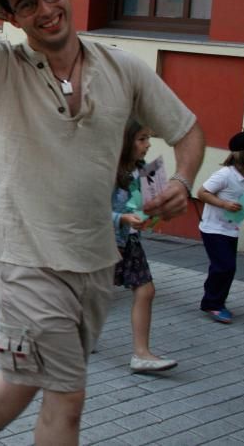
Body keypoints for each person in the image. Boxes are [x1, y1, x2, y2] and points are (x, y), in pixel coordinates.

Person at [0, 0, 204, 446]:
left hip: (96, 261)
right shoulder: (1, 67)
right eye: (26, 3)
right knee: (67, 397)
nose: (45, 9)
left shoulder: (123, 68)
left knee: (25, 379)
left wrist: (183, 178)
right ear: (12, 17)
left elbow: (187, 130)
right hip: (27, 257)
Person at [112, 120, 176, 373]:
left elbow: (153, 209)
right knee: (91, 295)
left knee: (146, 290)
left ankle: (141, 354)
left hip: (130, 242)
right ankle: (79, 336)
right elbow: (90, 212)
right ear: (125, 141)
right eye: (142, 139)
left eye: (148, 138)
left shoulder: (146, 171)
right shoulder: (107, 172)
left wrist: (161, 211)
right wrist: (122, 219)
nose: (148, 144)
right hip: (103, 242)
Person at [197, 131, 244, 324]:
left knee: (227, 268)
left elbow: (239, 200)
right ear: (240, 154)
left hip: (230, 229)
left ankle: (216, 301)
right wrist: (223, 205)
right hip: (213, 229)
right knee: (224, 266)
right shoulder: (225, 174)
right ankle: (212, 303)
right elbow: (202, 193)